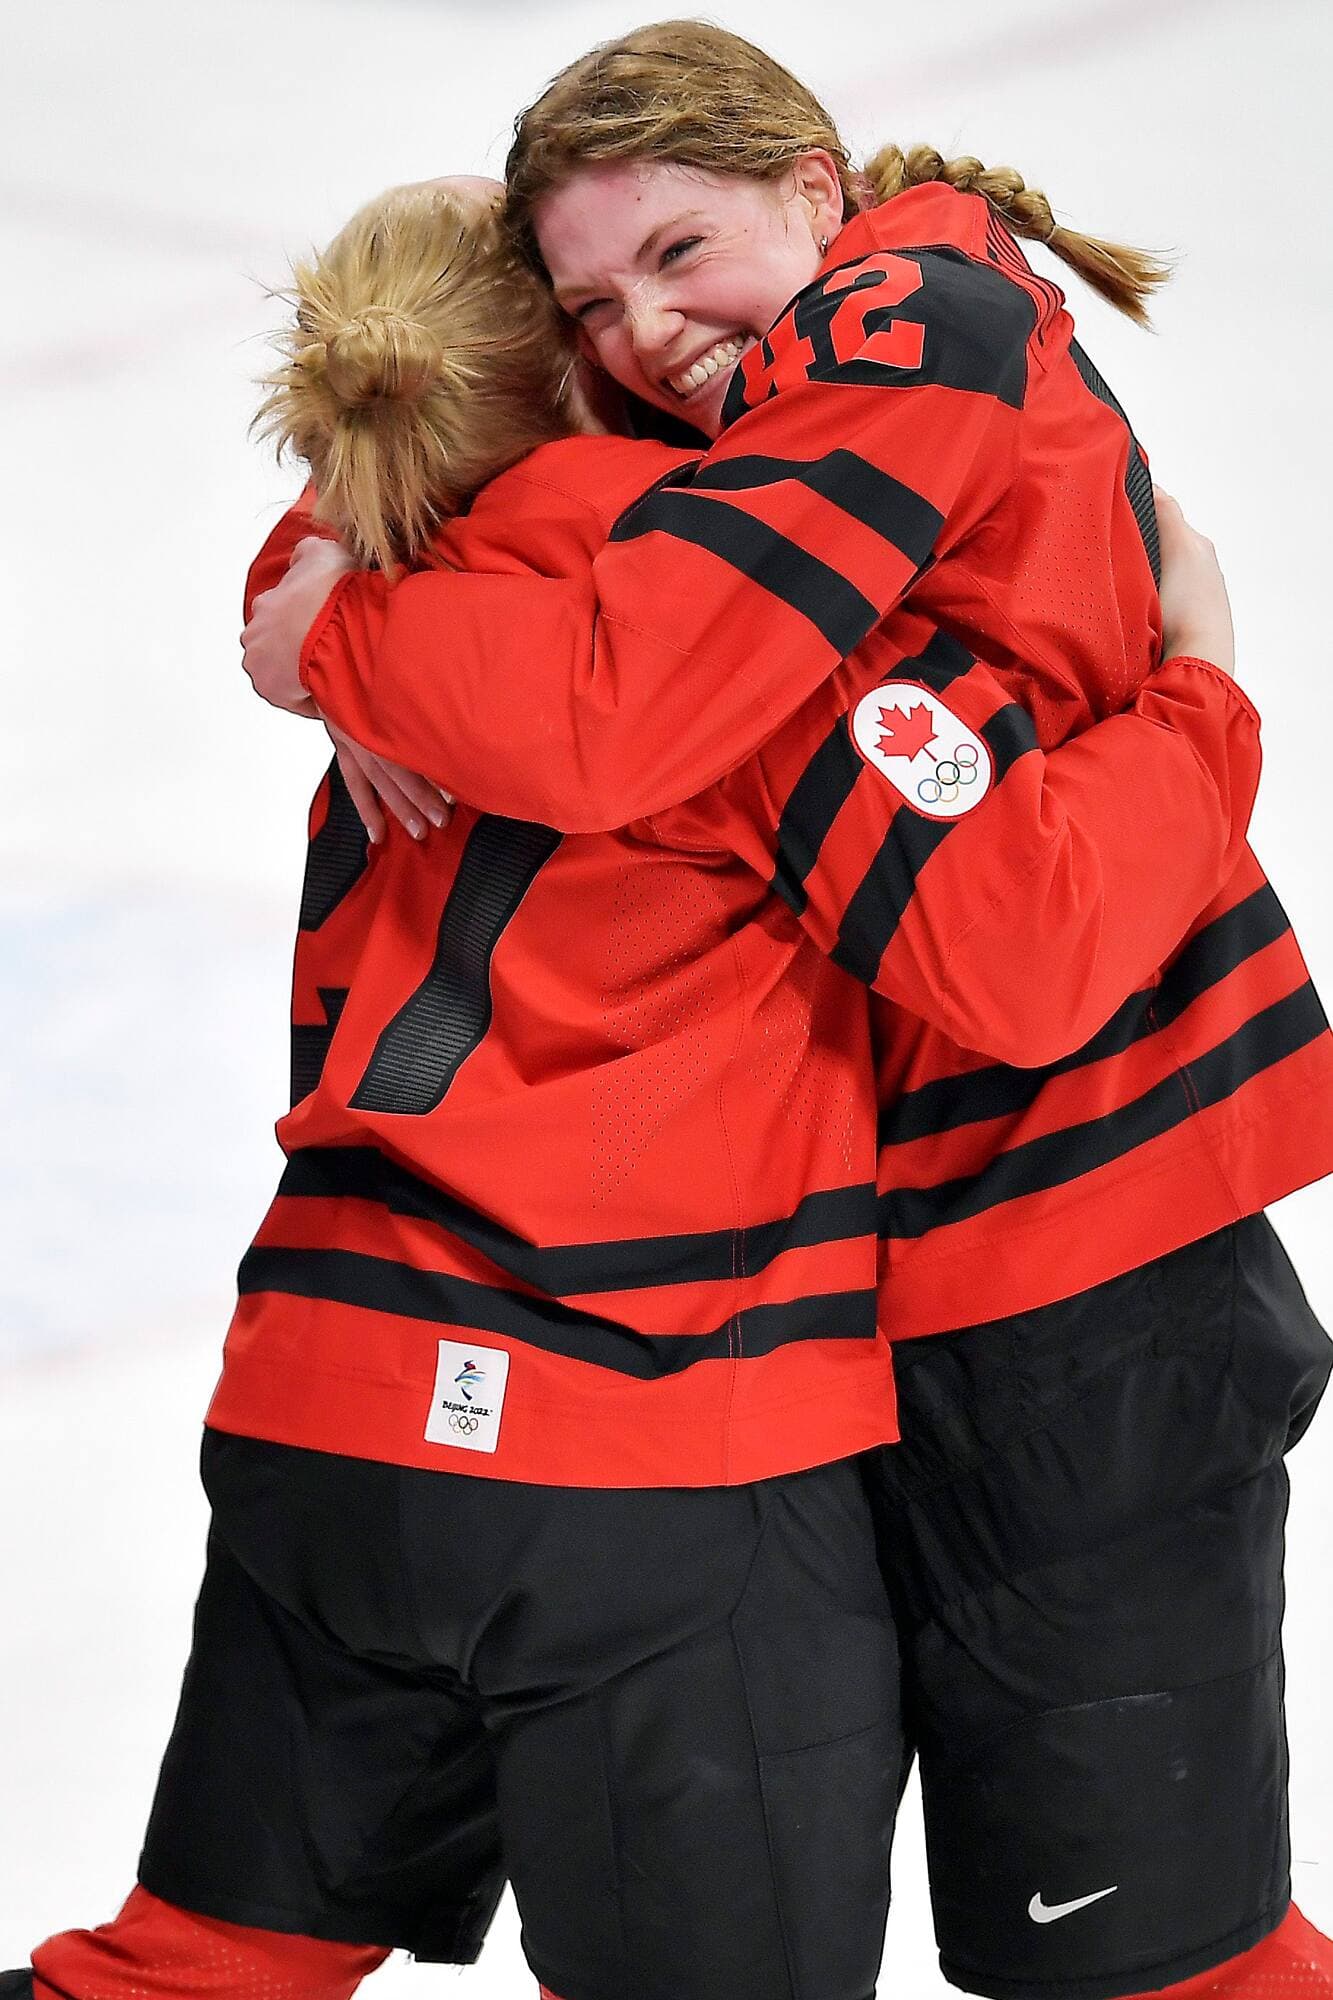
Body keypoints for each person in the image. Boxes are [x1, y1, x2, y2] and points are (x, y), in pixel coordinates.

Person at [9, 158, 1256, 2000]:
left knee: (195, 1964)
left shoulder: (396, 565)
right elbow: (1015, 949)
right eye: (596, 300)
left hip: (327, 1411)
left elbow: (364, 517)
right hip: (653, 1458)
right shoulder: (727, 626)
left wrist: (328, 599)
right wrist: (1201, 689)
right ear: (569, 356)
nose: (656, 332)